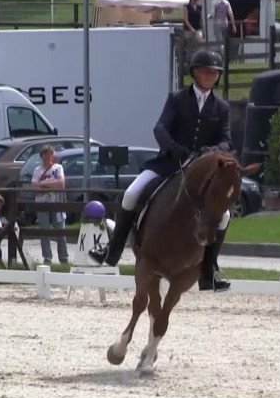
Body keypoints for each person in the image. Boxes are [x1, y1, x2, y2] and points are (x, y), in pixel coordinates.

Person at [89, 49, 233, 292]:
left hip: (201, 172)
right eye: (206, 71)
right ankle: (111, 252)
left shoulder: (221, 107)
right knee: (131, 194)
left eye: (214, 73)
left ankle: (210, 271)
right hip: (169, 163)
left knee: (225, 216)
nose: (210, 76)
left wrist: (213, 149)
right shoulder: (177, 99)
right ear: (195, 72)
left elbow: (227, 140)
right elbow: (160, 128)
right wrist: (173, 148)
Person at [31, 144, 69, 265]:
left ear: (53, 156)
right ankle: (47, 258)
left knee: (60, 231)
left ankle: (64, 258)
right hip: (42, 203)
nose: (47, 157)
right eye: (45, 155)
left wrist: (44, 184)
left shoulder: (58, 168)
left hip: (56, 202)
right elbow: (34, 187)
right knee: (44, 232)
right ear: (41, 156)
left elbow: (61, 184)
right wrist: (50, 185)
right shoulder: (37, 170)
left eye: (50, 155)